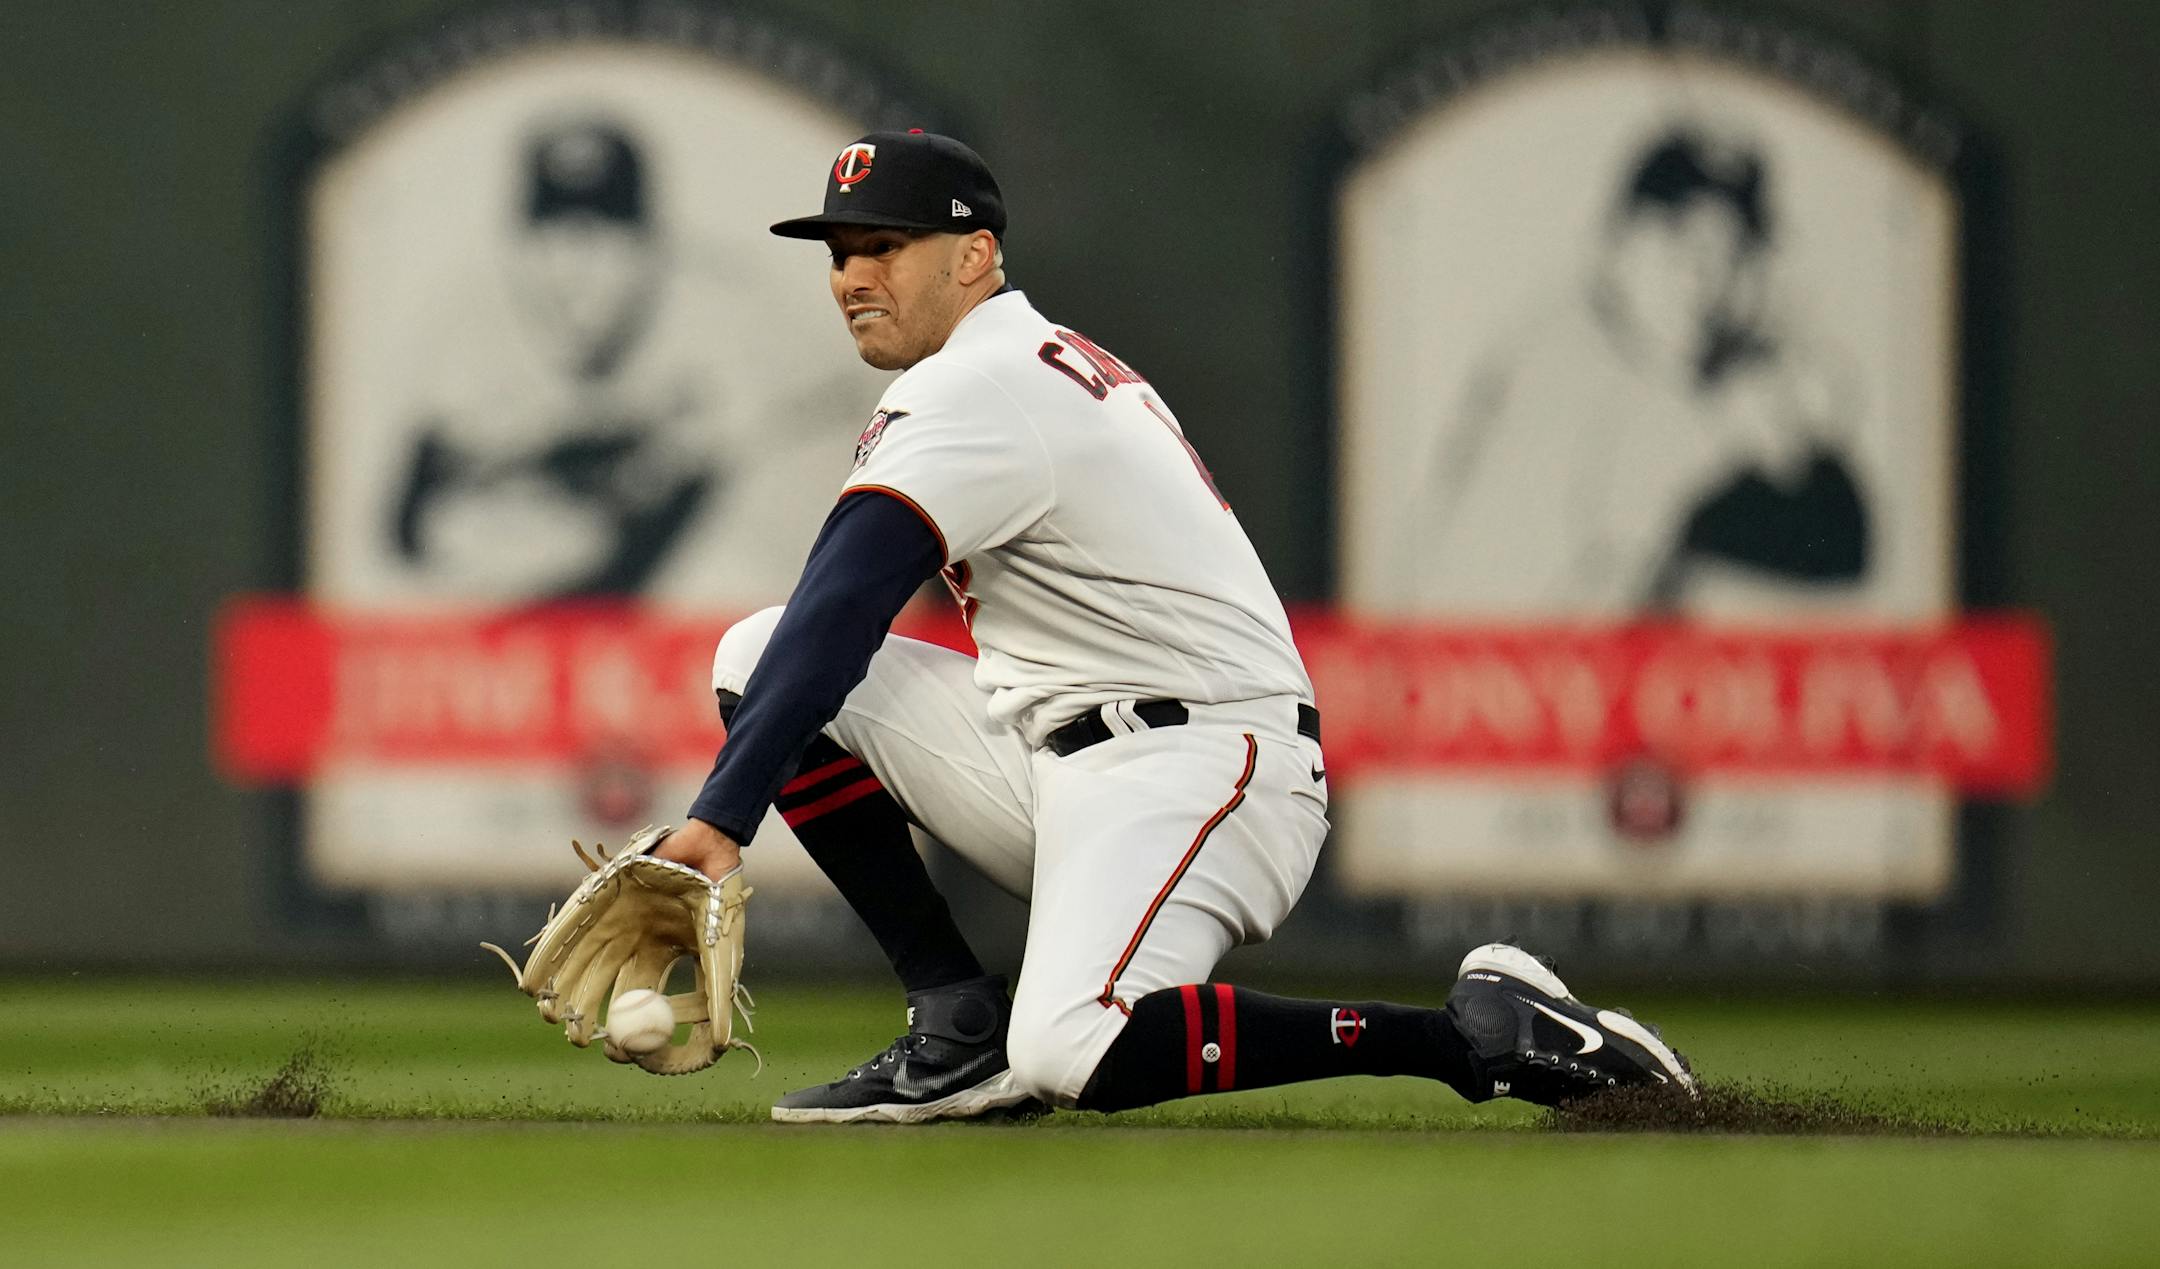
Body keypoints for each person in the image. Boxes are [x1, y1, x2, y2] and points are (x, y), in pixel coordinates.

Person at [651, 130, 1695, 1122]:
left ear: (974, 255)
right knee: (755, 656)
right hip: (1068, 759)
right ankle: (957, 1021)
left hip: (1208, 762)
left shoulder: (984, 386)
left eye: (884, 245)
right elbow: (820, 627)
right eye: (838, 252)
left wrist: (719, 819)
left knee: (1070, 1049)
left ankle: (1476, 1039)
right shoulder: (1022, 365)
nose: (851, 277)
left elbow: (848, 603)